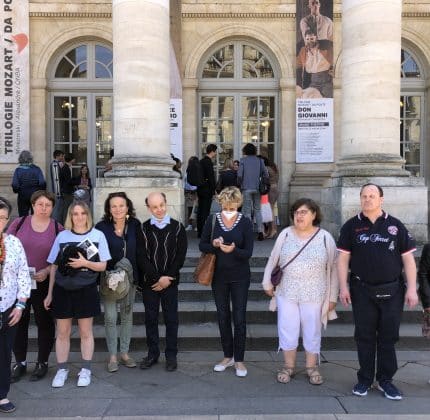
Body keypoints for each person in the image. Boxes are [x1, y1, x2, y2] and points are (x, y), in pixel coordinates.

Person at [337, 183, 418, 400]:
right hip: (361, 289)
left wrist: (412, 288)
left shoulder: (395, 226)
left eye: (372, 196)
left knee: (388, 337)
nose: (367, 199)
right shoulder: (351, 226)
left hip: (393, 290)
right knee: (364, 336)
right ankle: (364, 379)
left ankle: (386, 380)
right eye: (364, 196)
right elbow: (343, 259)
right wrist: (343, 286)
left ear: (381, 199)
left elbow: (408, 260)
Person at [262, 198, 338, 385]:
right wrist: (267, 283)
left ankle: (312, 367)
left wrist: (333, 296)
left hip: (315, 293)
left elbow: (334, 268)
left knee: (312, 330)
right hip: (287, 292)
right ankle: (288, 366)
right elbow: (274, 259)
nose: (299, 216)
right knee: (287, 328)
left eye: (304, 212)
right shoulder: (285, 234)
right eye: (296, 212)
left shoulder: (325, 237)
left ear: (314, 215)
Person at [44, 201, 111, 388]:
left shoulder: (97, 236)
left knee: (85, 332)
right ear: (70, 216)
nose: (79, 217)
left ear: (87, 215)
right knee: (63, 332)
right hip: (62, 290)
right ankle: (62, 369)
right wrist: (49, 294)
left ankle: (86, 370)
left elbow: (103, 265)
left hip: (86, 289)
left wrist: (85, 263)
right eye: (75, 214)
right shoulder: (62, 236)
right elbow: (54, 266)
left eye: (82, 213)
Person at [8, 191, 63, 384]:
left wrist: (47, 271)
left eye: (48, 205)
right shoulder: (19, 223)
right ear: (32, 205)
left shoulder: (57, 228)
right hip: (19, 283)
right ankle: (20, 362)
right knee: (18, 322)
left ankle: (42, 362)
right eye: (40, 204)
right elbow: (6, 248)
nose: (44, 208)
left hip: (43, 282)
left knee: (45, 323)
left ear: (52, 207)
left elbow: (61, 258)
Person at [199, 187, 253, 377]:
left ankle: (239, 360)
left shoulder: (245, 222)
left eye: (232, 205)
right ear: (220, 203)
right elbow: (202, 244)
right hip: (218, 277)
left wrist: (234, 250)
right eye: (225, 204)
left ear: (238, 204)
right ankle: (227, 356)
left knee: (239, 318)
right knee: (223, 317)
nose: (228, 208)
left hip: (240, 276)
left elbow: (248, 252)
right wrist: (214, 245)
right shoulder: (213, 220)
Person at [137, 192, 187, 372]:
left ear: (166, 203)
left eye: (161, 205)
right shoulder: (143, 229)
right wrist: (157, 278)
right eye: (154, 207)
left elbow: (180, 257)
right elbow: (141, 257)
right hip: (150, 283)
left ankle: (171, 355)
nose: (159, 209)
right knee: (150, 319)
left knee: (171, 319)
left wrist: (167, 278)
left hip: (171, 283)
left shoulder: (178, 228)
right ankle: (153, 354)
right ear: (149, 208)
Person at [95, 192, 141, 372]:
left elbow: (140, 251)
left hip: (130, 277)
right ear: (108, 208)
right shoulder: (101, 227)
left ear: (128, 207)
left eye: (121, 205)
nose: (118, 209)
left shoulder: (136, 225)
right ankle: (112, 355)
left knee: (127, 315)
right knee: (110, 317)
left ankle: (124, 353)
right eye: (113, 206)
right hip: (110, 279)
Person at [0, 197, 31, 413]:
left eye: (3, 217)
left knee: (4, 353)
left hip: (9, 308)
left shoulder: (13, 243)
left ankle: (2, 395)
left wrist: (20, 306)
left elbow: (23, 274)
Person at [237, 143, 269, 241]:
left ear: (245, 151)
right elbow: (266, 174)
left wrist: (239, 184)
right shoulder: (260, 161)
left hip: (246, 188)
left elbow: (239, 175)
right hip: (257, 188)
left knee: (246, 211)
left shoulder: (243, 161)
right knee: (257, 210)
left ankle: (248, 232)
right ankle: (260, 231)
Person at [296, 28, 333, 99]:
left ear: (316, 38)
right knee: (308, 98)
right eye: (307, 39)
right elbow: (296, 64)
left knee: (327, 100)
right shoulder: (303, 51)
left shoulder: (326, 47)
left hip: (327, 80)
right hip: (313, 81)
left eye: (312, 39)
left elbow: (335, 60)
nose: (310, 41)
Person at [11, 150, 46, 217]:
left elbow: (15, 184)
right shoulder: (37, 169)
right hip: (35, 195)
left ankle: (24, 227)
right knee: (36, 215)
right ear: (31, 159)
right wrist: (40, 191)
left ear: (20, 159)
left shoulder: (18, 170)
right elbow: (42, 182)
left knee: (23, 216)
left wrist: (18, 191)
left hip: (23, 195)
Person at [197, 144, 217, 238]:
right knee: (205, 211)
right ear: (212, 151)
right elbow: (211, 177)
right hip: (207, 190)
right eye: (215, 151)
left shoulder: (201, 161)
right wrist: (214, 190)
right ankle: (203, 232)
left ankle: (200, 231)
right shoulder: (208, 162)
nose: (216, 154)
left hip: (200, 188)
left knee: (201, 210)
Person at [264, 157, 279, 238]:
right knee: (271, 209)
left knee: (270, 210)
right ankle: (271, 230)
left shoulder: (267, 168)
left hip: (270, 189)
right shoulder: (274, 168)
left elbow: (265, 179)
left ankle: (273, 230)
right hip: (275, 188)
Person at [59, 153, 75, 224]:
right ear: (71, 159)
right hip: (67, 192)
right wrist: (76, 181)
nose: (75, 160)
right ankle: (65, 224)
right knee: (67, 209)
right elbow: (68, 181)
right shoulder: (66, 168)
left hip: (65, 191)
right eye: (74, 159)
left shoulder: (65, 167)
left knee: (66, 208)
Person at [50, 150, 65, 223]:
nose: (62, 157)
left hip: (58, 191)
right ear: (57, 156)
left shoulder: (57, 164)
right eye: (61, 156)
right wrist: (58, 192)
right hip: (58, 192)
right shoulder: (55, 164)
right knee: (57, 210)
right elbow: (56, 179)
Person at [184, 156, 199, 231]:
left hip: (196, 193)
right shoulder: (187, 171)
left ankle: (196, 225)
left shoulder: (198, 171)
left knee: (196, 210)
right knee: (190, 209)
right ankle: (190, 224)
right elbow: (185, 182)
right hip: (189, 193)